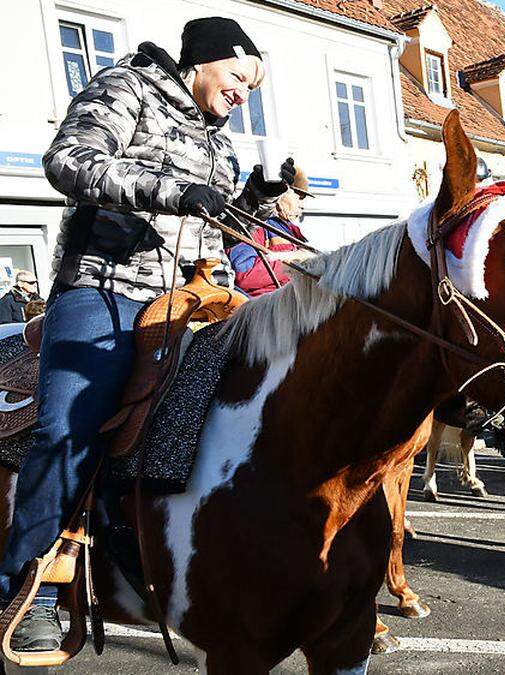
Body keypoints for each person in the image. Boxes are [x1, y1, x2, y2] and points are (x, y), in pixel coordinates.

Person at [0, 17, 287, 652]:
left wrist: (252, 204)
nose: (245, 94)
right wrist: (175, 191)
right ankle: (29, 583)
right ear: (206, 62)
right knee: (67, 428)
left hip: (192, 299)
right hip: (105, 289)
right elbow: (68, 162)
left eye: (252, 87)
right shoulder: (125, 87)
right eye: (240, 77)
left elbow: (214, 226)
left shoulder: (220, 142)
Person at [228, 164, 315, 297]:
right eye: (299, 197)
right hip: (264, 308)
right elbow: (244, 275)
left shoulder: (289, 229)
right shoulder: (255, 222)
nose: (302, 206)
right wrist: (298, 261)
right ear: (282, 193)